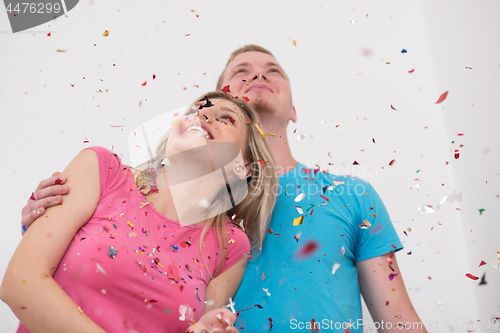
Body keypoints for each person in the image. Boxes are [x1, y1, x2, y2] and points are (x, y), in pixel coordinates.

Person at [18, 45, 427, 332]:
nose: (257, 76)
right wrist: (49, 219)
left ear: (295, 108)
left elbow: (399, 321)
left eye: (272, 70)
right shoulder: (176, 193)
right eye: (240, 73)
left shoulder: (352, 195)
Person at [1, 91, 278, 333]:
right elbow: (19, 283)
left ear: (243, 167)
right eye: (197, 109)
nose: (203, 116)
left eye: (226, 118)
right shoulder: (102, 170)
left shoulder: (231, 246)